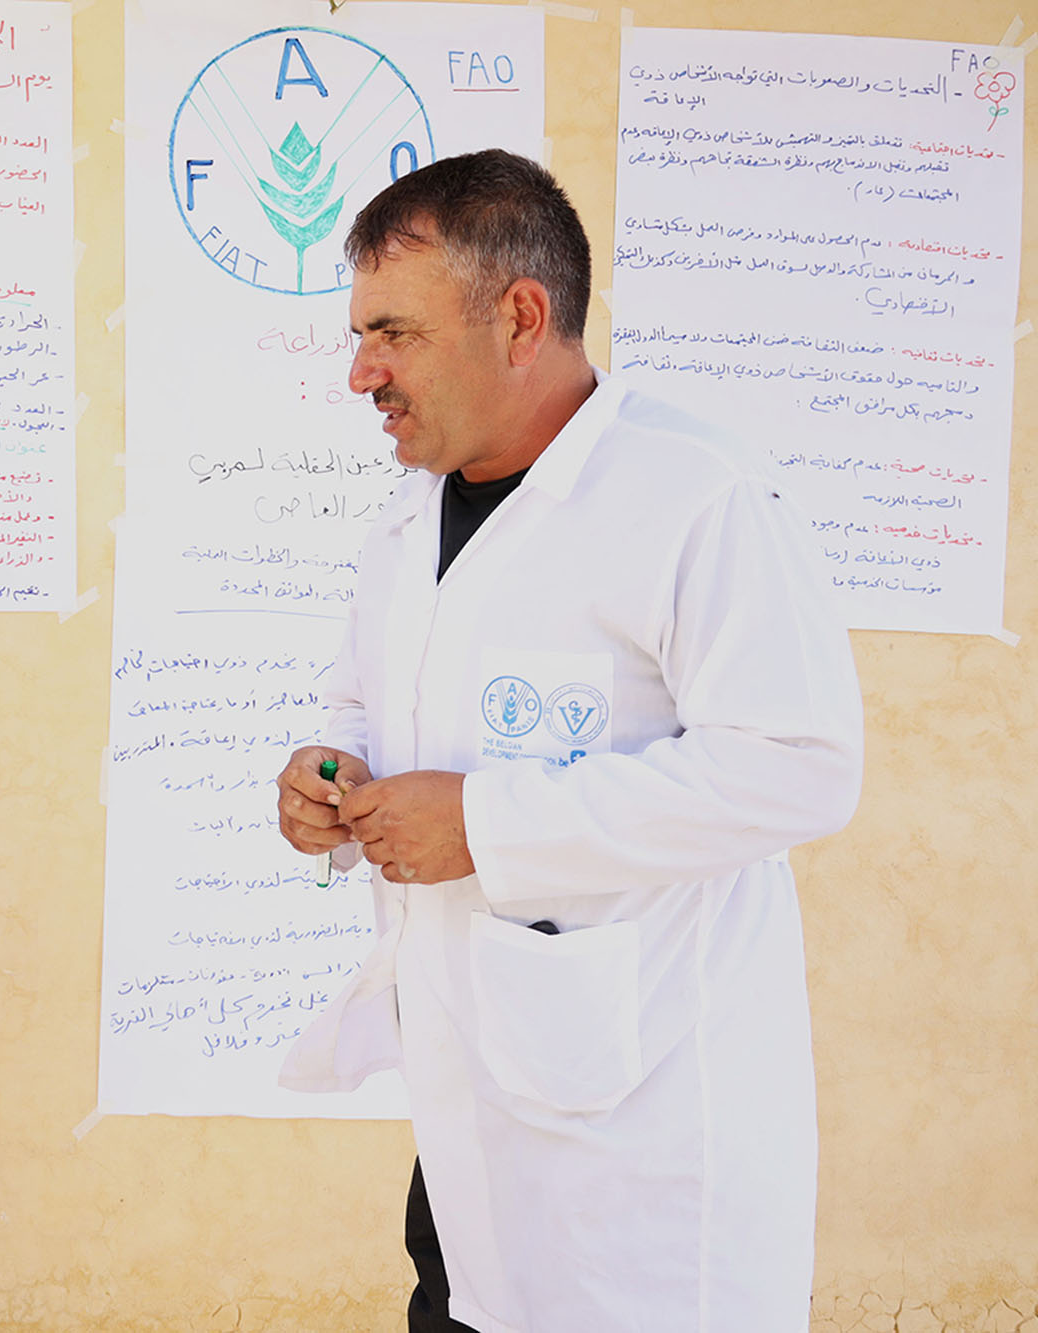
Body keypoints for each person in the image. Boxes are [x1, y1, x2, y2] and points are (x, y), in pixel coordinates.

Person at [273, 150, 862, 1332]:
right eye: (356, 334)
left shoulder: (694, 497)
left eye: (389, 332)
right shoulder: (405, 519)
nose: (358, 373)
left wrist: (485, 825)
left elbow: (798, 766)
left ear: (519, 317)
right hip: (462, 1129)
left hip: (637, 1168)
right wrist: (323, 777)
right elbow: (360, 707)